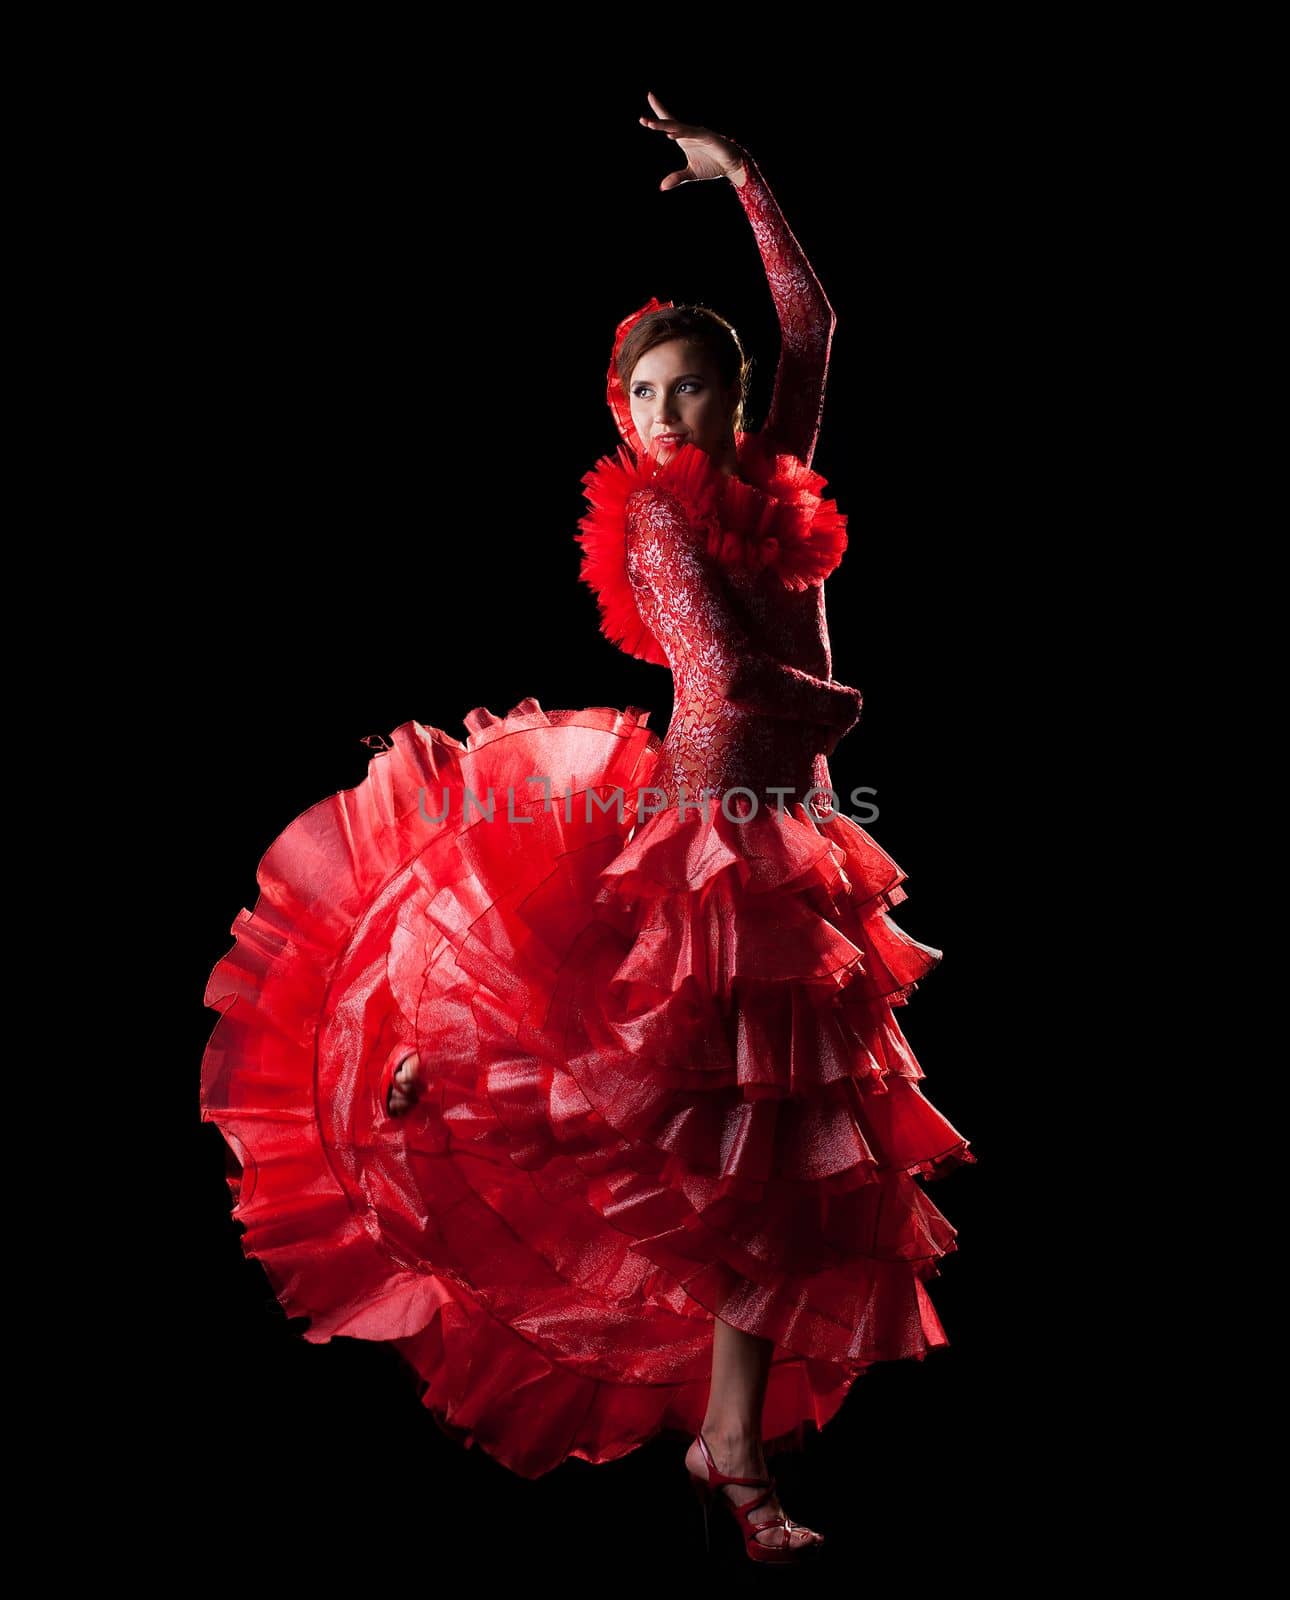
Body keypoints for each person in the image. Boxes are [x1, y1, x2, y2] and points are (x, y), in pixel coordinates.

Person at [200, 91, 976, 1566]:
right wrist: (838, 704)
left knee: (775, 1161)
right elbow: (729, 676)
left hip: (791, 843)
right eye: (648, 400)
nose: (673, 415)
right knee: (631, 1083)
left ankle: (731, 1449)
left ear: (732, 404)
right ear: (621, 423)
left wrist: (745, 175)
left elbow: (813, 324)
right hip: (705, 823)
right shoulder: (654, 523)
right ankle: (425, 1081)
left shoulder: (768, 479)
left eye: (695, 390)